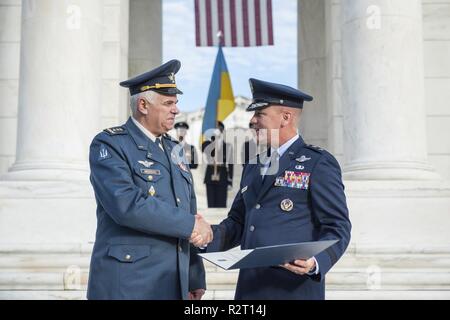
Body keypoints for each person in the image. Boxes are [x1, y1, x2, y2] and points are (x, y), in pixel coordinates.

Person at [202, 78, 352, 300]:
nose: (252, 121)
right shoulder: (253, 165)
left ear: (285, 117)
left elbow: (337, 226)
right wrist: (205, 235)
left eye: (260, 114)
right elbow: (238, 223)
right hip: (250, 290)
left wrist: (315, 262)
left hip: (293, 290)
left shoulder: (318, 162)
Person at [86, 60, 213, 300]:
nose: (175, 110)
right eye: (168, 103)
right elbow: (127, 205)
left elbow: (188, 210)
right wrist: (190, 225)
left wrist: (194, 275)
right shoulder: (110, 144)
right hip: (130, 283)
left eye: (176, 103)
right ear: (143, 105)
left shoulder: (175, 149)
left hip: (173, 282)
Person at [202, 121, 233, 208]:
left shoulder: (228, 146)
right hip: (210, 174)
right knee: (211, 204)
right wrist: (213, 140)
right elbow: (204, 149)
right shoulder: (207, 144)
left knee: (221, 204)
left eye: (219, 129)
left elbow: (230, 164)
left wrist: (230, 180)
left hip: (222, 175)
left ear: (222, 131)